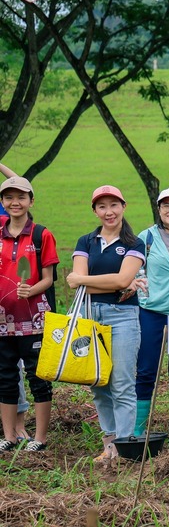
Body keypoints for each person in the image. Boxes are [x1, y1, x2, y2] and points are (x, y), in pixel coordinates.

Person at [69, 185, 145, 463]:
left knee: (122, 383)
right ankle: (108, 445)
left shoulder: (135, 244)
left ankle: (123, 449)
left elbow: (122, 281)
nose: (108, 211)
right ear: (95, 211)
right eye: (102, 206)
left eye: (114, 205)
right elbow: (80, 282)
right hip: (90, 316)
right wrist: (99, 281)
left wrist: (85, 280)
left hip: (122, 315)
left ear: (123, 207)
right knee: (98, 383)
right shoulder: (85, 241)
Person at [0, 177, 57, 453]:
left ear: (31, 201)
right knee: (6, 378)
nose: (15, 202)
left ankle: (40, 438)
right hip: (2, 322)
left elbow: (49, 278)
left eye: (21, 197)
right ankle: (9, 436)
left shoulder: (41, 234)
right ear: (2, 203)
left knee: (38, 378)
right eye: (9, 197)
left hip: (35, 321)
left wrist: (31, 289)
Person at [132, 188, 169, 443]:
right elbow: (133, 268)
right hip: (151, 312)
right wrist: (139, 283)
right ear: (158, 209)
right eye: (166, 205)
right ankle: (139, 429)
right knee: (146, 370)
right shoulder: (145, 237)